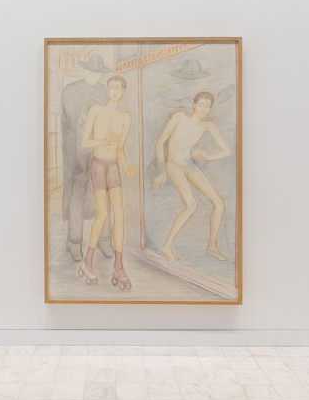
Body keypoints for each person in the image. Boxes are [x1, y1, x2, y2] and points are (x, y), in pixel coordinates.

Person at [151, 91, 231, 262]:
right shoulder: (179, 117)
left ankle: (212, 247)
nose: (203, 109)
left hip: (189, 165)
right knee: (191, 205)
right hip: (173, 165)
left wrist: (207, 157)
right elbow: (160, 142)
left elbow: (227, 151)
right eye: (201, 105)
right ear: (194, 105)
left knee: (219, 203)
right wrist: (162, 170)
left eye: (207, 106)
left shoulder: (208, 125)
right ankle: (167, 246)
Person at [78, 75, 137, 290]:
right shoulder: (96, 110)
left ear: (123, 91)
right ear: (107, 90)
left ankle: (118, 266)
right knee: (102, 214)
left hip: (113, 166)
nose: (114, 91)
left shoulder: (126, 117)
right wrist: (105, 141)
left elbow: (120, 149)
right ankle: (87, 261)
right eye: (111, 87)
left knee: (119, 215)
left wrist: (127, 168)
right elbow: (84, 142)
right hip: (98, 165)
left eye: (118, 88)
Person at [59, 56, 114, 261]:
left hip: (99, 149)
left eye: (97, 74)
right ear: (84, 71)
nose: (93, 76)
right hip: (76, 151)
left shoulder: (104, 91)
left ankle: (104, 239)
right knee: (77, 193)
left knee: (103, 191)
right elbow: (72, 118)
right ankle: (74, 242)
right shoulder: (69, 91)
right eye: (91, 72)